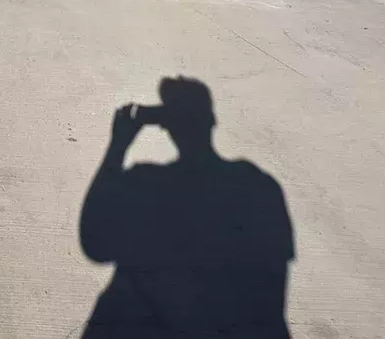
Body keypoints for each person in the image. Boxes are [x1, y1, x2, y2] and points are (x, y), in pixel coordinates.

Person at [79, 77, 294, 338]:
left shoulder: (145, 184)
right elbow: (272, 294)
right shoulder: (259, 188)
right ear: (212, 121)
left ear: (166, 126)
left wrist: (118, 146)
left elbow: (95, 244)